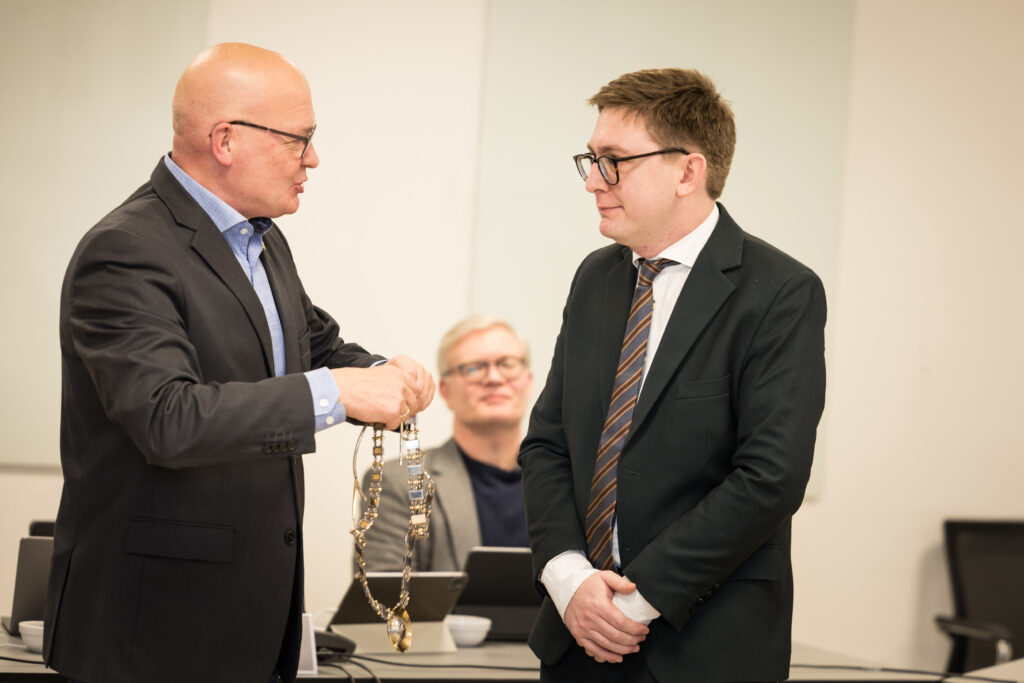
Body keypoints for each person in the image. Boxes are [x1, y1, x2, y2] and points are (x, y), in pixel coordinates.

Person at [44, 43, 434, 683]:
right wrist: (339, 392)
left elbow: (314, 347)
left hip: (253, 622)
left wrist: (384, 373)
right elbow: (169, 419)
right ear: (225, 140)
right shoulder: (124, 251)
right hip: (154, 634)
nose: (313, 159)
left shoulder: (263, 241)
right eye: (299, 139)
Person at [518, 68, 827, 682]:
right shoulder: (595, 278)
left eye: (613, 161)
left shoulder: (780, 291)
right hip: (575, 635)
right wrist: (570, 580)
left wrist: (632, 603)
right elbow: (547, 445)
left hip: (703, 646)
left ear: (688, 172)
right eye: (591, 160)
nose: (593, 181)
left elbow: (770, 477)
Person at [360, 314, 533, 571]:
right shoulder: (400, 483)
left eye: (507, 364)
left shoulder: (568, 480)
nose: (494, 378)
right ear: (445, 390)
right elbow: (384, 593)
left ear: (529, 381)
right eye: (473, 367)